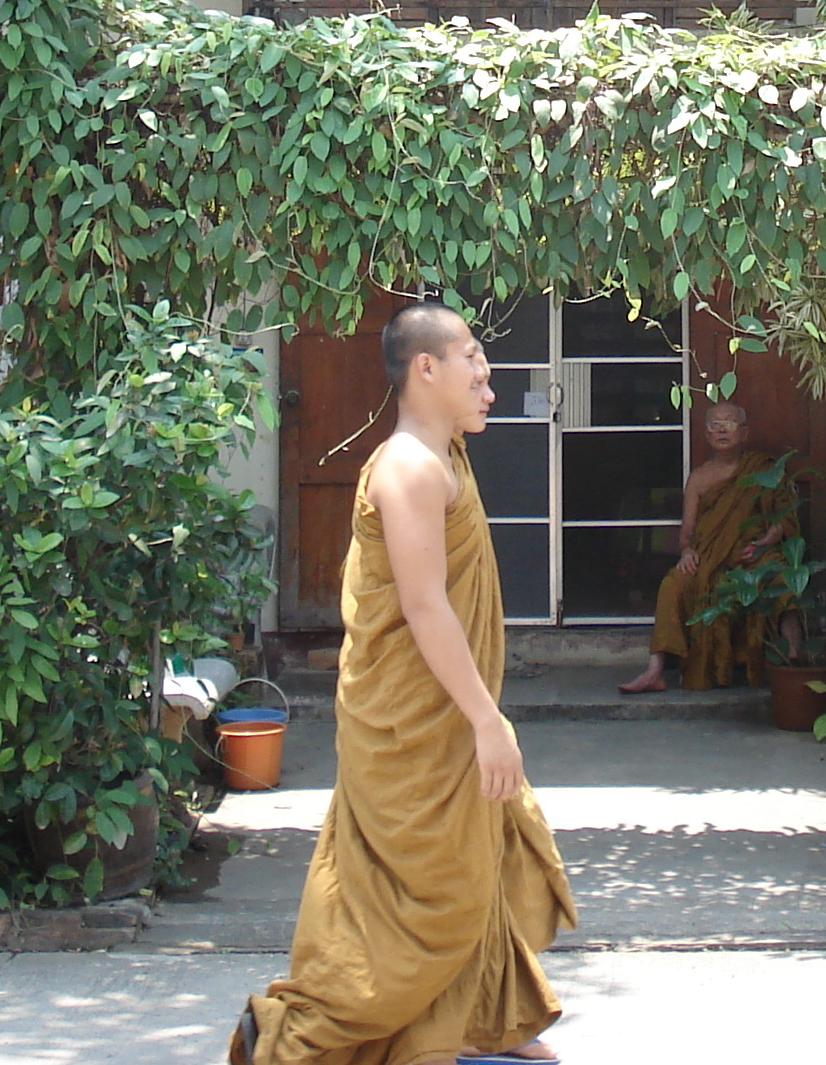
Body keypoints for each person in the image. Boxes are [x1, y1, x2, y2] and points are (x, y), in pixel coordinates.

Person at [233, 301, 576, 1065]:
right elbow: (423, 608)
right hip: (411, 729)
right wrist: (488, 721)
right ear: (427, 369)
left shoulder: (446, 455)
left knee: (471, 876)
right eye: (475, 364)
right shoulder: (410, 468)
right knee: (434, 902)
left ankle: (471, 1024)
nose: (489, 382)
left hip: (442, 717)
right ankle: (295, 1040)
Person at [619, 401, 797, 695]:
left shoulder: (765, 470)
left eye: (729, 423)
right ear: (706, 434)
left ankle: (793, 654)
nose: (722, 430)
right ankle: (655, 670)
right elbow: (686, 534)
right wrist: (687, 552)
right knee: (673, 584)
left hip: (755, 554)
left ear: (744, 432)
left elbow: (783, 519)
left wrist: (764, 543)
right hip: (710, 558)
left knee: (784, 579)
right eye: (715, 425)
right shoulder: (699, 478)